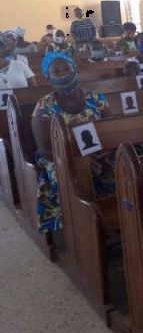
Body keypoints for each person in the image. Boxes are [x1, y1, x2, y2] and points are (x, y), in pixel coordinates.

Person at [31, 52, 113, 233]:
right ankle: (82, 229)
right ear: (48, 78)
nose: (62, 74)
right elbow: (45, 150)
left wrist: (103, 154)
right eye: (56, 72)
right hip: (59, 156)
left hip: (98, 150)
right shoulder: (44, 107)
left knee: (120, 164)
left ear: (75, 70)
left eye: (65, 69)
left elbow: (112, 130)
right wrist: (79, 159)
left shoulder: (96, 98)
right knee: (71, 173)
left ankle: (115, 218)